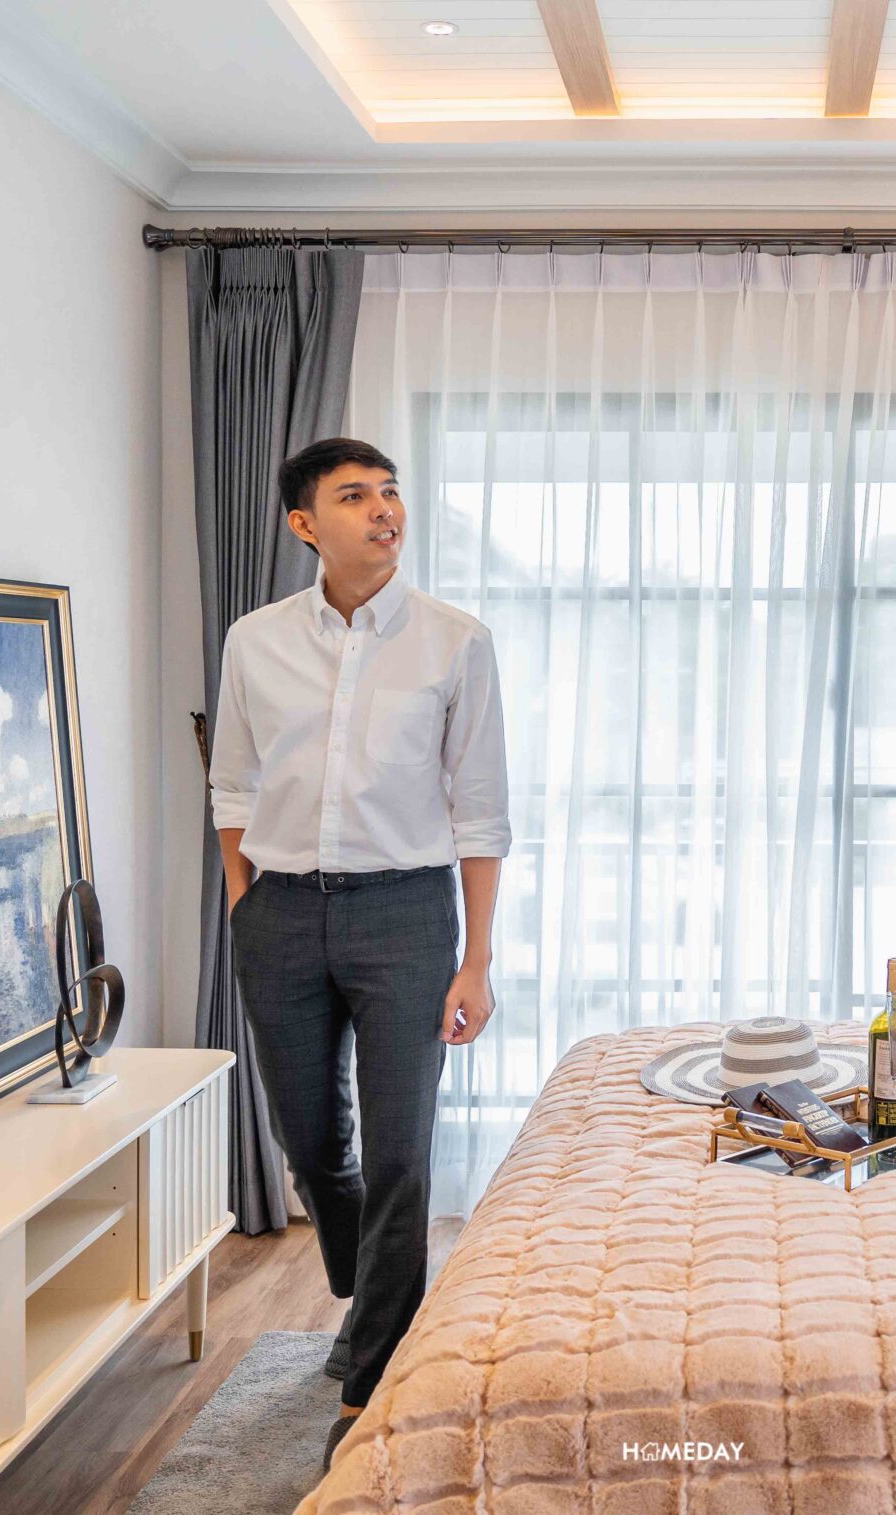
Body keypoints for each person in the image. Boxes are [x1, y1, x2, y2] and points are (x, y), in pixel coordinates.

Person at [205, 437, 508, 1471]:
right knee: (309, 1137)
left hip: (406, 916)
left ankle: (370, 1378)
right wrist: (246, 902)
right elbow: (234, 784)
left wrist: (475, 960)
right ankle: (364, 1290)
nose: (384, 510)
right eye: (354, 496)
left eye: (390, 492)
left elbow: (480, 810)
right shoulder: (254, 641)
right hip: (282, 912)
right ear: (304, 524)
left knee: (401, 1153)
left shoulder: (455, 642)